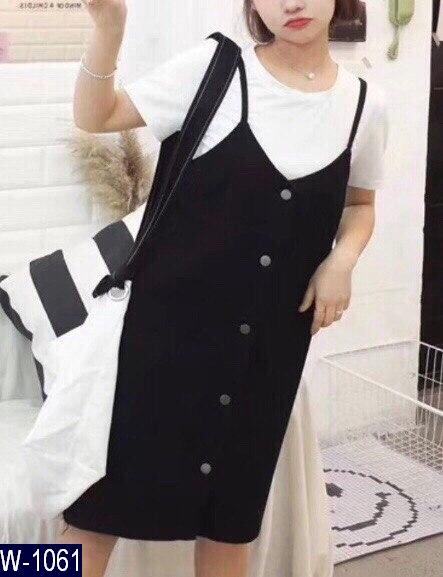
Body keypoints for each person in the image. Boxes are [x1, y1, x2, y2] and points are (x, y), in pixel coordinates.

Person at [58, 1, 389, 576]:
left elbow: (360, 204)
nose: (291, 3)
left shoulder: (366, 104)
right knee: (89, 518)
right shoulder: (214, 69)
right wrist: (110, 25)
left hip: (266, 354)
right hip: (159, 344)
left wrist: (343, 259)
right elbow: (96, 114)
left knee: (230, 525)